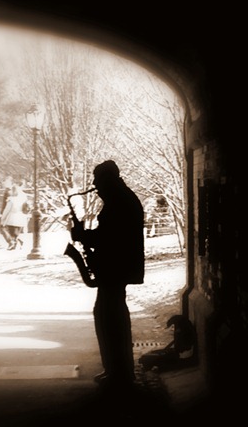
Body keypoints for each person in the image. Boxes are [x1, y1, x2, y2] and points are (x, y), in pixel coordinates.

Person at [71, 160, 145, 390]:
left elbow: (111, 239)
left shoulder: (119, 202)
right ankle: (116, 370)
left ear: (107, 179)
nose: (93, 184)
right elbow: (110, 235)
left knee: (110, 320)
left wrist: (84, 236)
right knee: (109, 317)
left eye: (96, 179)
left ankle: (119, 373)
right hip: (115, 269)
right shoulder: (120, 198)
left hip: (114, 269)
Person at [0, 184, 29, 250]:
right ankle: (15, 244)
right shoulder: (23, 199)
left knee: (8, 231)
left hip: (12, 218)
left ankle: (12, 243)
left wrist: (3, 218)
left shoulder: (11, 200)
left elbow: (6, 210)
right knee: (16, 233)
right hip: (21, 217)